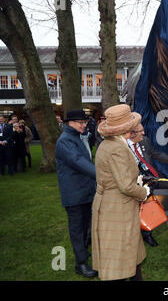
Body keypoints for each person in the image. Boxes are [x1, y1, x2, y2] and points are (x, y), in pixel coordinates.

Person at [92, 104, 151, 281]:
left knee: (126, 254)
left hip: (112, 203)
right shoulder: (117, 148)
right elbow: (125, 186)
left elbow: (119, 178)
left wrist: (136, 180)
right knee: (118, 257)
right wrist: (143, 192)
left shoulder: (109, 144)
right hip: (116, 208)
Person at [127, 124, 168, 247]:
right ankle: (131, 236)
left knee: (147, 207)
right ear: (132, 134)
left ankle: (147, 233)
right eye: (141, 131)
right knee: (133, 210)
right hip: (133, 183)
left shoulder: (144, 141)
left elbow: (156, 154)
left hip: (150, 180)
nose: (144, 133)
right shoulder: (122, 146)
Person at [55, 109, 97, 278]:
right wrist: (102, 174)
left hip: (86, 190)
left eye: (85, 122)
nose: (83, 125)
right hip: (74, 193)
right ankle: (81, 264)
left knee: (85, 226)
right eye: (79, 122)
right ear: (68, 123)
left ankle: (84, 254)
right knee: (77, 229)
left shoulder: (80, 136)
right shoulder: (65, 140)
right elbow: (78, 162)